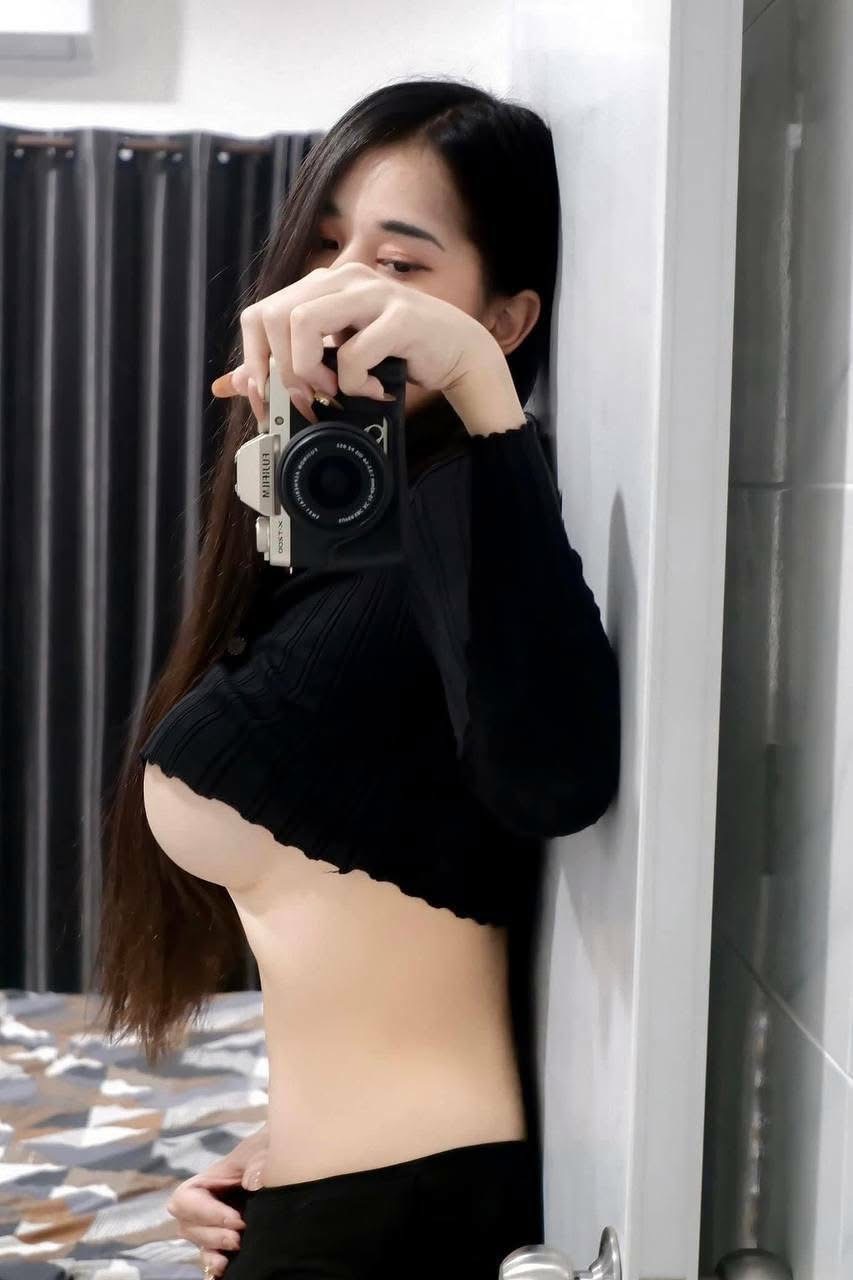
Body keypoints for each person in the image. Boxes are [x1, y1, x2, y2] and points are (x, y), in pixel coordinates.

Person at [92, 77, 621, 1280]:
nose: (338, 294)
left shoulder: (471, 502)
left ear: (506, 314)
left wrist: (476, 385)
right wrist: (277, 1141)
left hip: (404, 1218)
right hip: (334, 1198)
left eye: (399, 264)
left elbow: (555, 777)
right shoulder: (355, 515)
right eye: (325, 248)